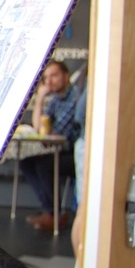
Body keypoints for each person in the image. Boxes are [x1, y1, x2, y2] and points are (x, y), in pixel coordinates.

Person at [21, 60, 81, 232]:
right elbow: (40, 129)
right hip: (59, 151)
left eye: (54, 75)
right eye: (46, 78)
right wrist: (40, 98)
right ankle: (50, 210)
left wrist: (47, 132)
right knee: (26, 162)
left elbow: (58, 131)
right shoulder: (55, 100)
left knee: (44, 165)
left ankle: (53, 214)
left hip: (75, 153)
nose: (50, 81)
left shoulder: (74, 96)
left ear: (66, 75)